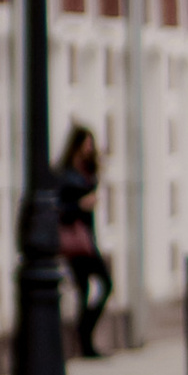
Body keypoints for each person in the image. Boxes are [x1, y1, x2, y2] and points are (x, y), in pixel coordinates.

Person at [54, 122, 113, 359]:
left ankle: (85, 334)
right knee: (89, 287)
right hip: (74, 242)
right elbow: (57, 208)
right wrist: (79, 205)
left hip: (87, 239)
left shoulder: (86, 171)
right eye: (86, 143)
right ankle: (84, 340)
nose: (90, 148)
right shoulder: (65, 173)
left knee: (100, 286)